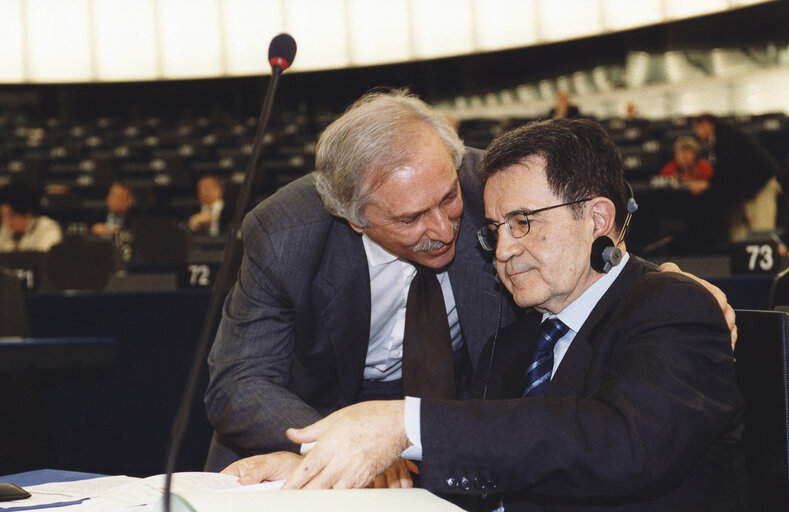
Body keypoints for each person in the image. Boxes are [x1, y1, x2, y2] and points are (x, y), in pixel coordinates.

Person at [225, 119, 745, 511]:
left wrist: (403, 422)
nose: (501, 252)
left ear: (599, 219)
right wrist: (323, 467)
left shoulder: (671, 309)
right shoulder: (513, 343)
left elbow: (619, 442)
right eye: (496, 228)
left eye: (523, 223)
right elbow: (479, 457)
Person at [692, 113, 783, 241]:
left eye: (697, 128)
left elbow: (726, 162)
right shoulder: (721, 137)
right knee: (741, 231)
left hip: (761, 185)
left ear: (706, 124)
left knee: (761, 229)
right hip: (748, 189)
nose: (697, 133)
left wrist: (708, 184)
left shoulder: (724, 133)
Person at [0, 182, 62, 252]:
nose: (6, 221)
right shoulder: (5, 229)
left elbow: (43, 258)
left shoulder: (48, 228)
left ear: (27, 214)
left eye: (11, 215)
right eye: (3, 216)